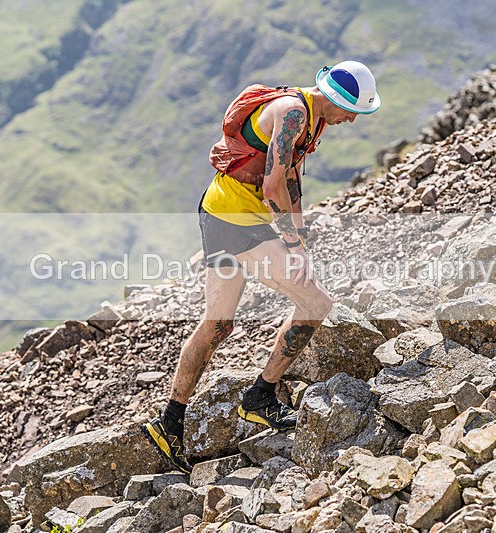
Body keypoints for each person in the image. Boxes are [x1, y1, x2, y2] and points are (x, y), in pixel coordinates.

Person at [143, 61, 381, 474]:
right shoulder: (293, 114)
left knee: (218, 325)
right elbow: (272, 187)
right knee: (315, 304)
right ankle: (260, 397)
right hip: (237, 219)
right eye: (352, 110)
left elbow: (291, 181)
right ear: (335, 99)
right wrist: (293, 245)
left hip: (218, 211)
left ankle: (170, 422)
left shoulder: (313, 119)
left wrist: (300, 239)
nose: (353, 120)